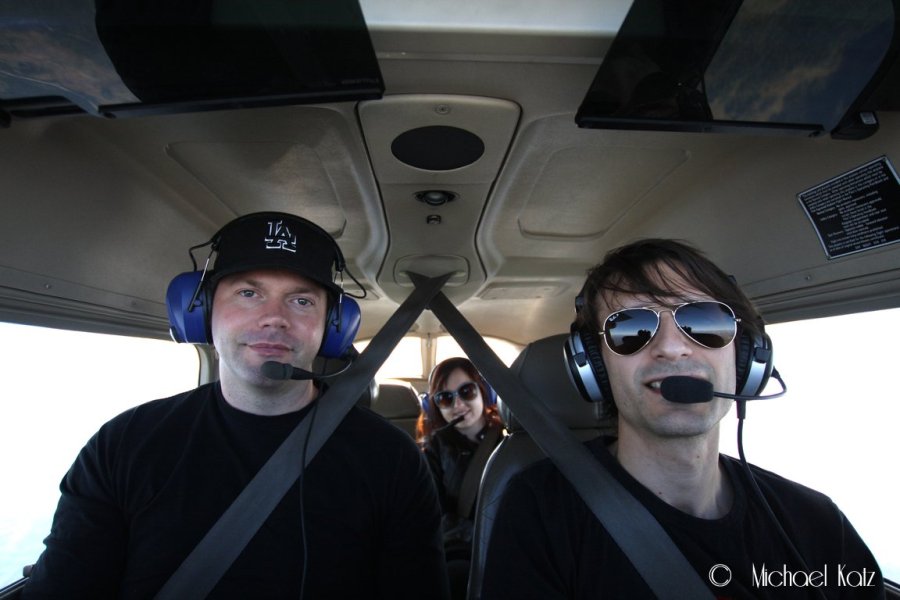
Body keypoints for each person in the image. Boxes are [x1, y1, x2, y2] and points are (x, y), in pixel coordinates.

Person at [22, 212, 450, 599]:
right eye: (248, 293)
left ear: (332, 327)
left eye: (301, 300)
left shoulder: (391, 461)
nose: (274, 317)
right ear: (203, 310)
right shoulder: (121, 446)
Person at [482, 239, 884, 599]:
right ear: (592, 366)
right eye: (631, 329)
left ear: (746, 356)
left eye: (705, 322)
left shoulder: (816, 522)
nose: (672, 348)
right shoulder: (541, 510)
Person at [417, 357, 505, 600]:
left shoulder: (511, 444)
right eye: (446, 398)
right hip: (458, 553)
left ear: (484, 392)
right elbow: (433, 516)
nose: (458, 404)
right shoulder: (433, 451)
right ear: (434, 407)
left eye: (466, 391)